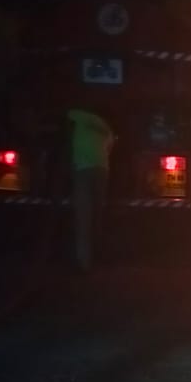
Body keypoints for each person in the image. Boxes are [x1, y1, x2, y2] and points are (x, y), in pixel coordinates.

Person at [68, 106, 115, 272]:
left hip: (83, 168)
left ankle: (83, 262)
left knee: (83, 216)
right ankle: (99, 255)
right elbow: (110, 146)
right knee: (97, 213)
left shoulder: (76, 114)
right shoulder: (103, 125)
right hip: (102, 169)